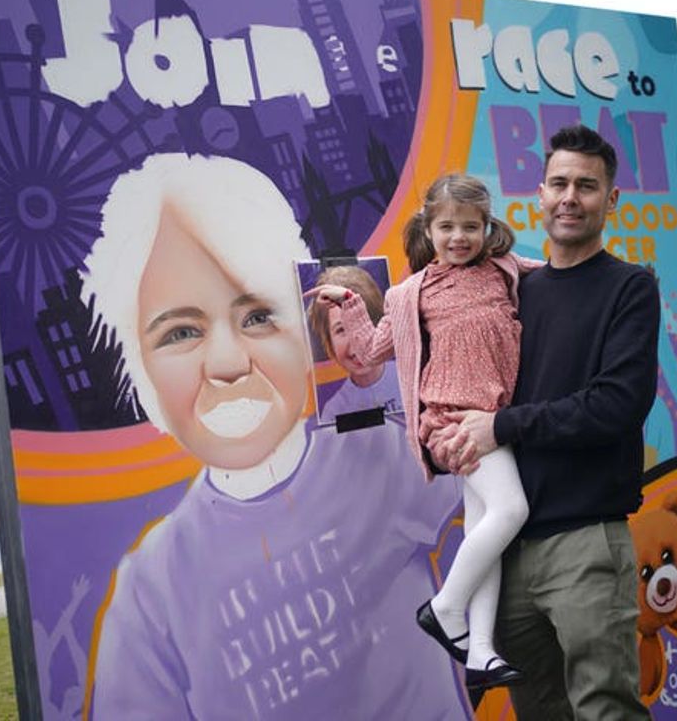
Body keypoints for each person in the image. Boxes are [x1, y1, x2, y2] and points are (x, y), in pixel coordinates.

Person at [82, 153, 466, 720]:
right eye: (181, 331)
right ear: (141, 375)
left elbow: (496, 504)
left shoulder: (380, 450)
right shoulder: (153, 588)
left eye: (258, 316)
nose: (229, 362)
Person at [434, 125, 660, 720]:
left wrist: (502, 426)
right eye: (559, 183)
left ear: (611, 201)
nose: (570, 197)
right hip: (507, 554)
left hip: (584, 542)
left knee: (605, 709)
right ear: (538, 195)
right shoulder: (512, 290)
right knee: (540, 713)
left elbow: (616, 405)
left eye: (587, 186)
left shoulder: (630, 288)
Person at [308, 173, 543, 690]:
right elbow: (371, 351)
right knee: (511, 510)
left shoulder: (504, 270)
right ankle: (444, 608)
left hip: (495, 419)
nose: (458, 237)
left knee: (486, 526)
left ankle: (480, 652)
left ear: (487, 227)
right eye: (446, 227)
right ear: (428, 229)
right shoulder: (409, 295)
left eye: (470, 226)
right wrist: (348, 303)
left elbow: (556, 277)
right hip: (451, 421)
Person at [307, 265, 402, 421]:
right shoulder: (334, 410)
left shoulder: (409, 378)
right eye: (341, 330)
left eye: (361, 322)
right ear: (329, 341)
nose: (356, 344)